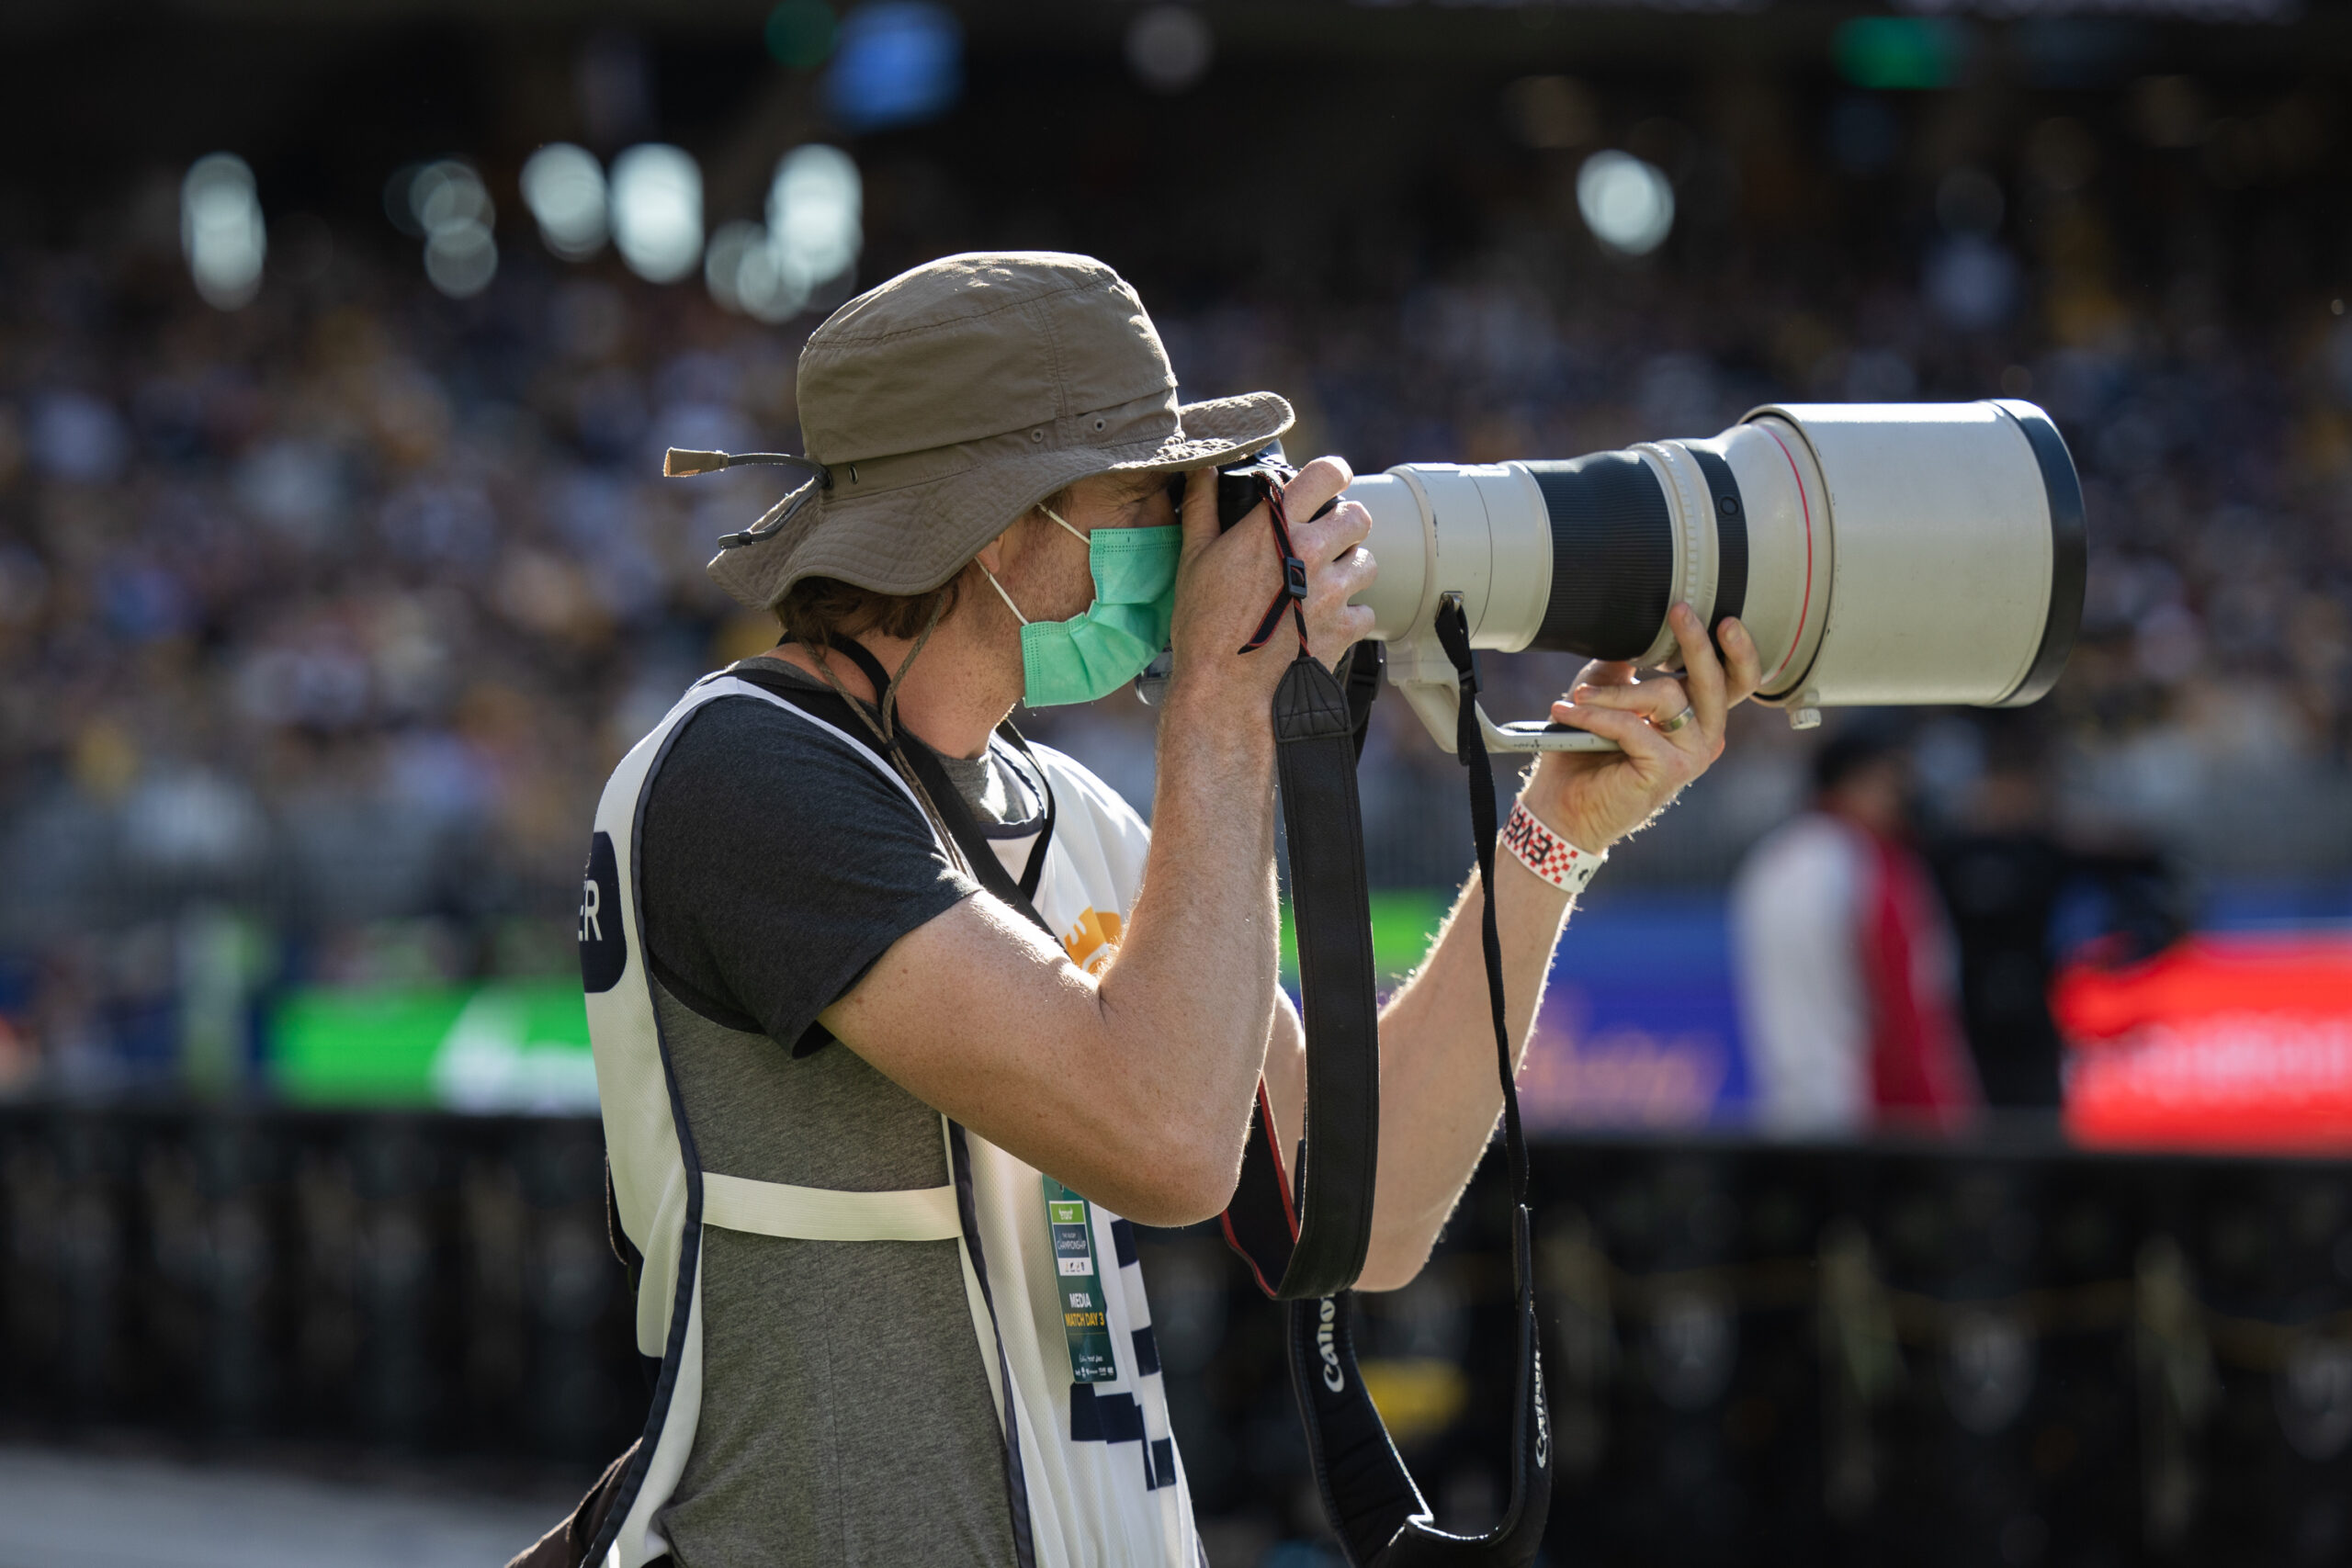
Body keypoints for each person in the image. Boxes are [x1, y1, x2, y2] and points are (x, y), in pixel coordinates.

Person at [574, 252, 1759, 1568]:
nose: (1197, 533)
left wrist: (1552, 833)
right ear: (995, 520)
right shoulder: (749, 772)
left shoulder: (1068, 810)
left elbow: (1362, 1213)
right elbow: (1166, 1141)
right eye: (1151, 489)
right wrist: (1219, 704)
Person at [1730, 726, 1981, 1137]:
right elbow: (1906, 1007)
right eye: (1891, 782)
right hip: (1871, 1115)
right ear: (1856, 781)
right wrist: (1939, 1116)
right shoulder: (1870, 864)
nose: (1902, 798)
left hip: (1790, 1106)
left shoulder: (1772, 860)